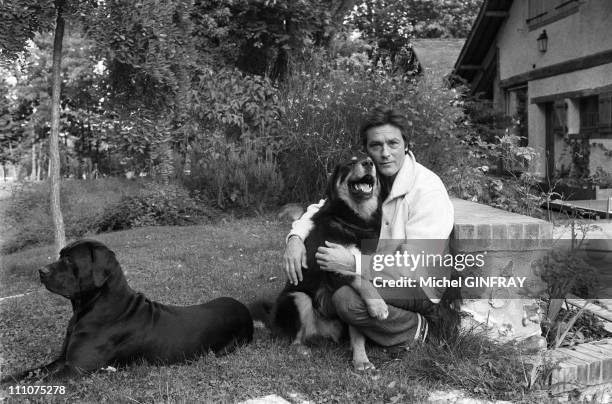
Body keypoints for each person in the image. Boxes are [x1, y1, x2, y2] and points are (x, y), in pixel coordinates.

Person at [283, 106, 457, 347]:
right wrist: (295, 238)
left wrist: (354, 264)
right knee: (337, 294)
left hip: (419, 284)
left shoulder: (427, 190)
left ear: (406, 145)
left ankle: (420, 330)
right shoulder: (373, 179)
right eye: (376, 146)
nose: (385, 153)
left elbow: (416, 265)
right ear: (367, 149)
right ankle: (367, 323)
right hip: (379, 272)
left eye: (393, 144)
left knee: (346, 299)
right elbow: (323, 207)